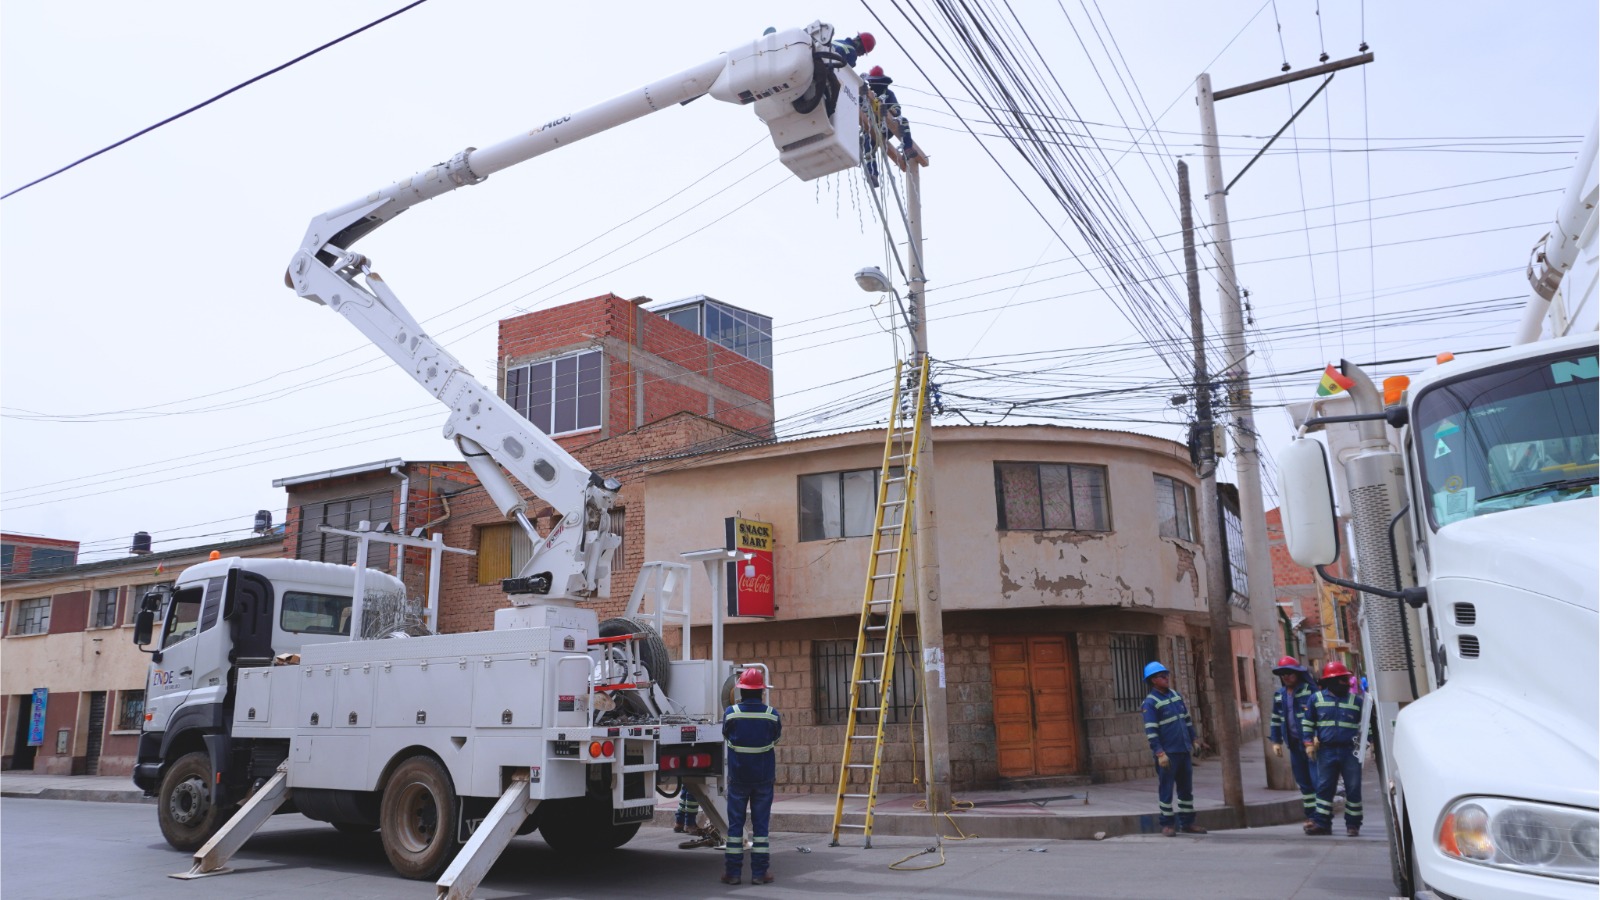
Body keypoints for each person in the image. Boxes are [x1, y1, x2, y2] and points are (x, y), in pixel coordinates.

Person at [722, 668, 782, 885]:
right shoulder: (772, 715)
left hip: (738, 777)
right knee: (761, 828)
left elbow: (726, 734)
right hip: (763, 778)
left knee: (735, 827)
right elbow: (776, 738)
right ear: (761, 691)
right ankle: (759, 873)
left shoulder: (731, 713)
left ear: (741, 691)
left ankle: (733, 874)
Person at [1140, 661, 1207, 837]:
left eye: (1166, 675)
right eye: (1162, 676)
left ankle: (1187, 823)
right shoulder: (1150, 703)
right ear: (1153, 680)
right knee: (1166, 789)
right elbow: (1151, 731)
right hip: (1167, 754)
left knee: (1186, 790)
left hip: (1183, 751)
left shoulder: (1176, 696)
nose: (1166, 678)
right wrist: (1159, 753)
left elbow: (1187, 721)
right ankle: (1167, 824)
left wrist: (1194, 740)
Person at [1301, 660, 1364, 836]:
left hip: (1350, 751)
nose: (1347, 683)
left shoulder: (1356, 701)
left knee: (1353, 788)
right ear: (1331, 681)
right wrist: (1308, 743)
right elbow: (1308, 722)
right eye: (1343, 679)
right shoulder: (1316, 699)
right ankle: (1322, 823)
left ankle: (1353, 825)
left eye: (1347, 679)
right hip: (1326, 751)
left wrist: (1365, 743)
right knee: (1324, 788)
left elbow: (1366, 725)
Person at [1268, 655, 1318, 825]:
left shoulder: (1310, 691)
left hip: (1312, 744)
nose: (1286, 677)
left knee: (1317, 781)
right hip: (1294, 745)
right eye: (1283, 674)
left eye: (1289, 673)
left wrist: (1315, 737)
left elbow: (1319, 715)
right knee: (1304, 783)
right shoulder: (1279, 695)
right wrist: (1276, 741)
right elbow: (1275, 719)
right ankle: (1312, 816)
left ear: (1297, 674)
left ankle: (1322, 818)